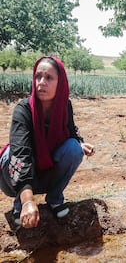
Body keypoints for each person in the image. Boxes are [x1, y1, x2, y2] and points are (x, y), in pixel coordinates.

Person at [0, 56, 95, 228]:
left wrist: (80, 143)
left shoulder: (64, 107)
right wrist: (28, 201)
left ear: (61, 83)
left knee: (74, 148)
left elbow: (71, 131)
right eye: (38, 76)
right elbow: (20, 153)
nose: (41, 82)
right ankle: (20, 203)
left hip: (46, 169)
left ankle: (54, 198)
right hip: (16, 177)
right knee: (9, 155)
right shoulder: (24, 110)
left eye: (49, 78)